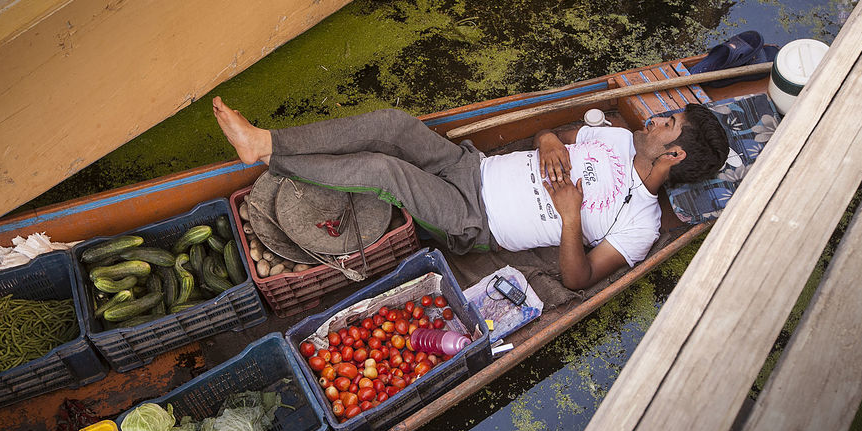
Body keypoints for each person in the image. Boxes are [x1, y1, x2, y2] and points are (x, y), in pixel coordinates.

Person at [212, 97, 727, 290]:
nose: (655, 119)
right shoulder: (615, 136)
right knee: (392, 124)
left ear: (674, 154)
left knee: (383, 170)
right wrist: (549, 140)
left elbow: (579, 279)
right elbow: (555, 135)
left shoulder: (640, 223)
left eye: (667, 123)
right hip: (470, 165)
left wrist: (571, 218)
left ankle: (265, 152)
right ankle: (266, 141)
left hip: (472, 218)